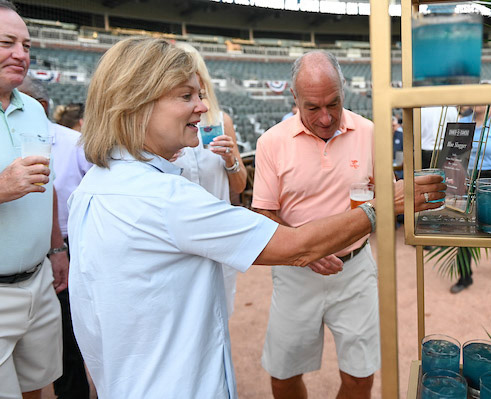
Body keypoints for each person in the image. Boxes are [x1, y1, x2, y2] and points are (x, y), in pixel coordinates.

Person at [67, 37, 446, 398]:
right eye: (187, 96)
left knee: (359, 371)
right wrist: (382, 207)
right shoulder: (167, 199)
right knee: (284, 371)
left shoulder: (93, 188)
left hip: (130, 382)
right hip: (177, 384)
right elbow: (295, 246)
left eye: (199, 94)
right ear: (137, 104)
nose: (202, 106)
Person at [251, 50, 381, 399]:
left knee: (360, 376)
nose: (326, 118)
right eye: (313, 107)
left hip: (355, 271)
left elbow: (386, 197)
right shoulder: (271, 142)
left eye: (334, 104)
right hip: (295, 275)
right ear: (294, 97)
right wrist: (305, 250)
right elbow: (263, 213)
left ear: (344, 91)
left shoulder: (370, 132)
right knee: (283, 375)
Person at [0, 2, 68, 398]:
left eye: (26, 44)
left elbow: (51, 186)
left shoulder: (34, 112)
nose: (21, 54)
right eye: (7, 42)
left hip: (39, 279)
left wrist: (56, 248)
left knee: (41, 389)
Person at [18, 76, 94, 399]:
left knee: (76, 332)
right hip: (31, 251)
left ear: (42, 107)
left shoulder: (73, 142)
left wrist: (62, 248)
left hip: (71, 247)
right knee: (51, 339)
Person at [172, 42, 247, 318]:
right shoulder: (162, 127)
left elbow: (239, 187)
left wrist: (230, 161)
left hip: (219, 239)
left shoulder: (220, 120)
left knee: (221, 315)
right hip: (180, 243)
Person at [450, 105, 491, 294]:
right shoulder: (462, 124)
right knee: (463, 229)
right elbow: (454, 154)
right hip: (466, 178)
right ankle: (464, 276)